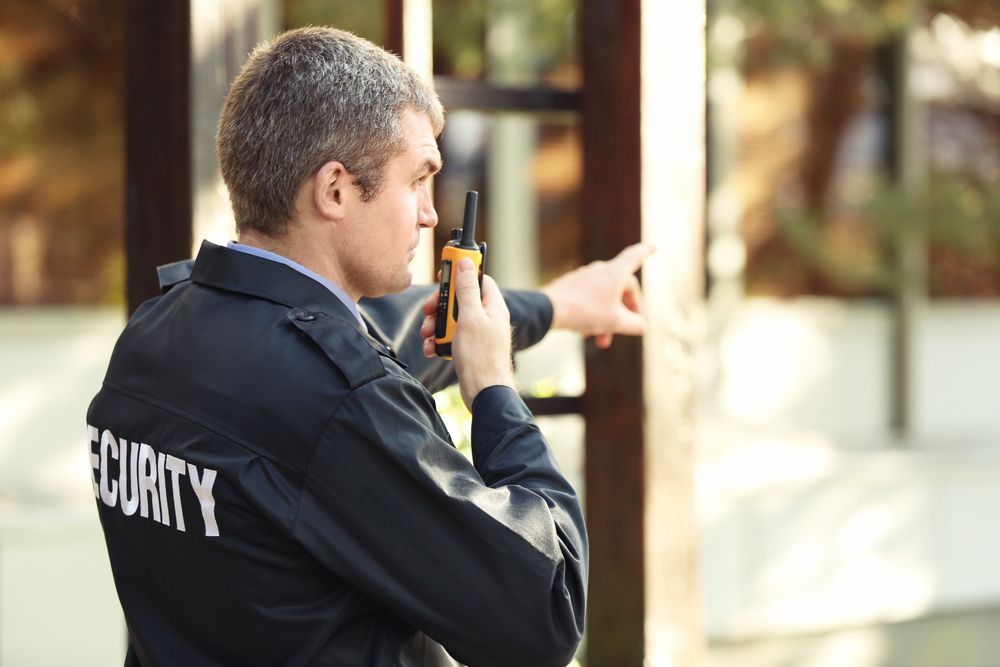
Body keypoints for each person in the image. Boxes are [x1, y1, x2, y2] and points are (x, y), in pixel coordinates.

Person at [87, 27, 649, 667]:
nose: (430, 214)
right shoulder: (338, 400)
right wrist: (493, 389)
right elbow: (546, 611)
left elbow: (389, 336)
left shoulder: (156, 335)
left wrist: (559, 305)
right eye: (417, 180)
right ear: (335, 191)